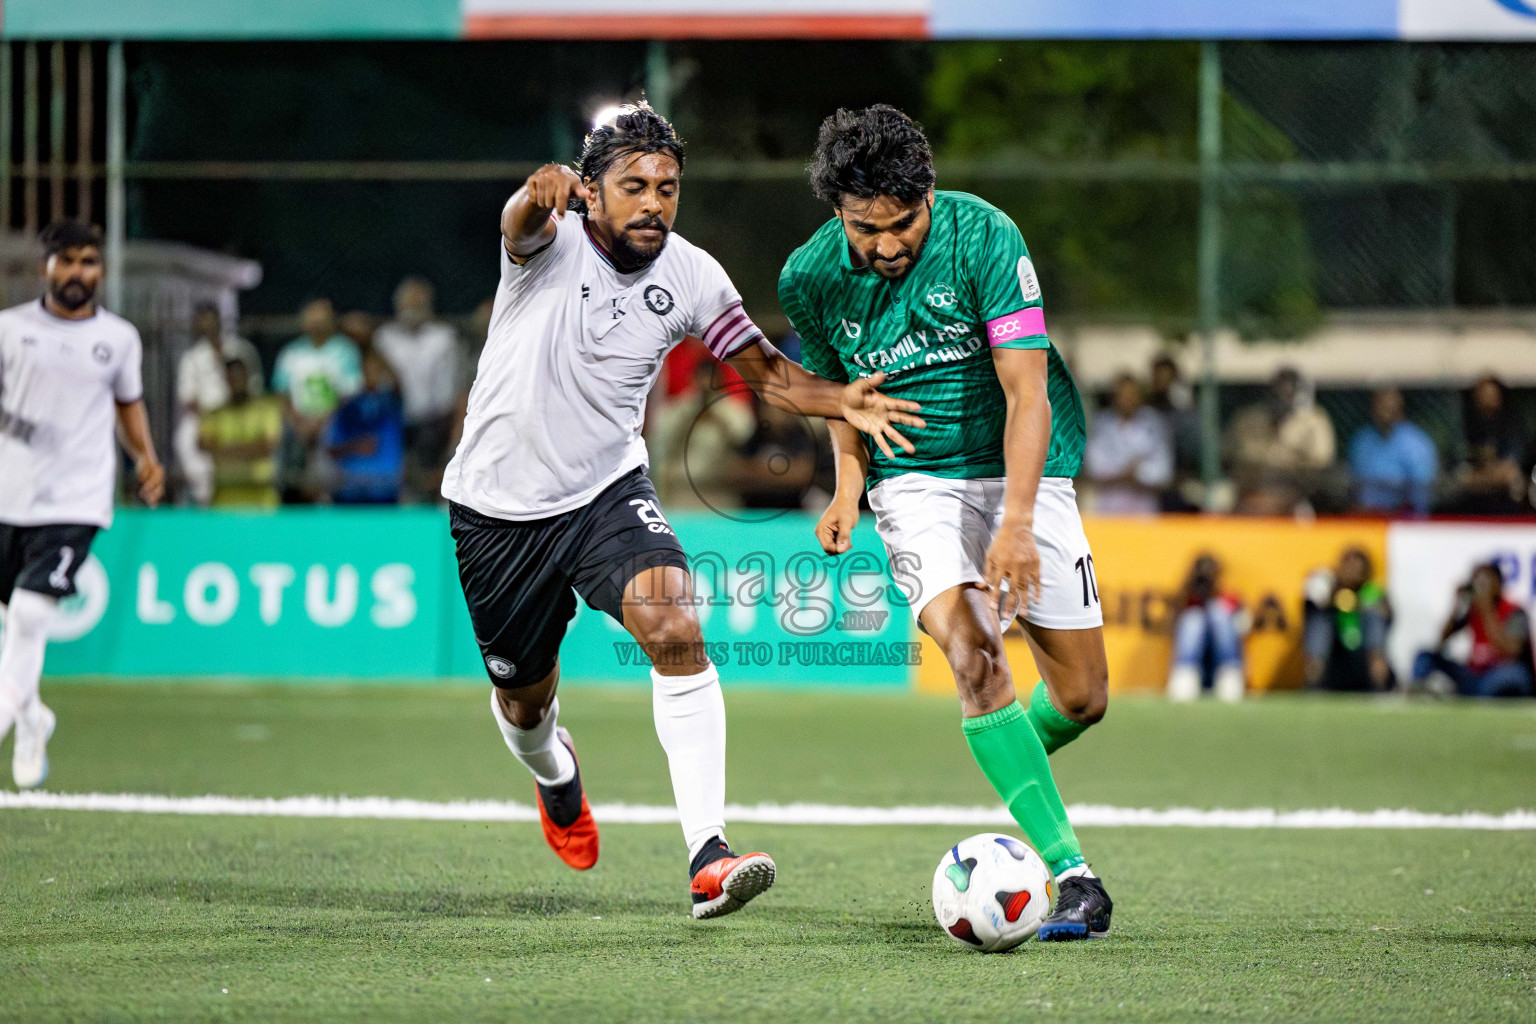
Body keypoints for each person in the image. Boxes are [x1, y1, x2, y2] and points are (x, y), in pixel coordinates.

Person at [442, 103, 919, 918]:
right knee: (526, 708)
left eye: (668, 187)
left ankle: (709, 853)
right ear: (590, 192)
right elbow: (517, 221)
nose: (654, 202)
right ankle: (557, 777)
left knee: (674, 624)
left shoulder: (693, 274)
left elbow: (768, 373)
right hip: (495, 511)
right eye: (633, 186)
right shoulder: (545, 243)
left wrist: (841, 399)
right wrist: (535, 192)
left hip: (604, 493)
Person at [785, 105, 1112, 941]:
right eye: (866, 229)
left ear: (928, 195)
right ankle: (1072, 874)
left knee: (1081, 697)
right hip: (914, 485)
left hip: (1020, 467)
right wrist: (846, 489)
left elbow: (1027, 393)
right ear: (837, 213)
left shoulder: (987, 237)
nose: (887, 246)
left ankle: (1009, 757)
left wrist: (1016, 519)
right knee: (976, 655)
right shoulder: (810, 278)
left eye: (902, 225)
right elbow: (843, 401)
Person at [0, 220, 164, 788]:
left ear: (100, 268)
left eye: (88, 262)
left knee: (28, 616)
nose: (78, 273)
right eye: (66, 262)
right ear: (45, 267)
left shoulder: (118, 339)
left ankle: (11, 726)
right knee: (16, 627)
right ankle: (31, 721)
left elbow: (127, 405)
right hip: (9, 499)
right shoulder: (9, 330)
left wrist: (145, 457)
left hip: (75, 502)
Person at [374, 277, 461, 499]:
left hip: (434, 422)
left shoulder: (443, 338)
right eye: (408, 303)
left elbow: (451, 386)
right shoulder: (385, 338)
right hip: (395, 421)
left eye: (418, 303)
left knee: (432, 478)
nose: (412, 308)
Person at [173, 302, 264, 506]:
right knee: (186, 438)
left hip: (241, 415)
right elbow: (187, 397)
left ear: (219, 321)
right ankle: (204, 501)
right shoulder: (192, 358)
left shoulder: (241, 349)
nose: (206, 325)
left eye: (210, 319)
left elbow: (255, 388)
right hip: (206, 419)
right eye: (202, 321)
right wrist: (214, 417)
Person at [271, 298, 361, 502]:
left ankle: (329, 503)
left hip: (333, 425)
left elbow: (349, 394)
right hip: (297, 426)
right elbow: (281, 394)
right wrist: (299, 423)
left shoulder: (345, 351)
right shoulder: (291, 353)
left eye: (323, 317)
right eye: (313, 317)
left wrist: (321, 423)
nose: (318, 322)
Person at [1225, 367, 1337, 515]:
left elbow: (1321, 461)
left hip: (1295, 494)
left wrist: (1285, 466)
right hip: (1252, 491)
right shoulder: (1248, 419)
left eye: (1289, 393)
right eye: (1278, 392)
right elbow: (1235, 456)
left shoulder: (1313, 421)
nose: (1283, 397)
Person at [1413, 562, 1533, 698]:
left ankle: (1474, 693)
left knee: (1515, 674)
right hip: (1474, 675)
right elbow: (1442, 640)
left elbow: (1512, 652)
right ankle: (1420, 689)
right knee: (1425, 656)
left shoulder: (1514, 612)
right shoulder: (1473, 611)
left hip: (1500, 672)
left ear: (1498, 585)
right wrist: (1457, 605)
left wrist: (1487, 610)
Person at [1082, 373, 1173, 515]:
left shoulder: (1153, 424)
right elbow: (1095, 467)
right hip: (1109, 508)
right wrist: (1125, 473)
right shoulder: (1102, 424)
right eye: (1123, 395)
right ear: (1115, 397)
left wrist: (1139, 474)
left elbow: (1162, 471)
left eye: (1132, 395)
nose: (1128, 400)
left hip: (1144, 510)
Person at [1303, 547, 1392, 692]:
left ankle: (1379, 684)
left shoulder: (1372, 591)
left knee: (1374, 617)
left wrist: (1359, 604)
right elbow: (1309, 602)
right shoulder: (1328, 587)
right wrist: (1333, 595)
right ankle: (1314, 682)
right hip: (1333, 660)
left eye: (1357, 568)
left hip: (1363, 661)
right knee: (1320, 619)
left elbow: (1388, 616)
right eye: (1348, 566)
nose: (1352, 572)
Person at [198, 359, 284, 508]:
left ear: (247, 377)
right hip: (224, 500)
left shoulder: (266, 409)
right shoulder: (215, 414)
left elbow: (267, 446)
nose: (236, 381)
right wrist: (250, 448)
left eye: (239, 376)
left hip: (261, 499)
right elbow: (203, 444)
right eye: (231, 377)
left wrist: (226, 449)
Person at [324, 351, 405, 504]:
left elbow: (398, 384)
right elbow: (331, 449)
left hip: (385, 487)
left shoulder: (391, 404)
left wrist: (374, 346)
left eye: (378, 370)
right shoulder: (348, 407)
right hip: (350, 488)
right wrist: (354, 446)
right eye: (368, 370)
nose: (373, 375)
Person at [1442, 375, 1530, 516]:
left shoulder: (1510, 425)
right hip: (1466, 500)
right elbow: (1459, 475)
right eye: (1484, 394)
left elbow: (1509, 471)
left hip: (1504, 499)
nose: (1488, 400)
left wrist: (1481, 478)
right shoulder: (1465, 424)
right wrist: (1480, 478)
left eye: (1492, 395)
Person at [1166, 554, 1246, 702]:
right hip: (1194, 668)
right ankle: (1185, 677)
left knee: (1218, 612)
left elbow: (1245, 627)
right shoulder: (1185, 600)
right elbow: (1171, 628)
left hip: (1221, 665)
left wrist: (1217, 603)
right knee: (1193, 618)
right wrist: (1190, 596)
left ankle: (1230, 677)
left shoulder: (1229, 600)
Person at [1347, 386, 1438, 516]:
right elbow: (1354, 484)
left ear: (1400, 410)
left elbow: (1422, 492)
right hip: (1366, 517)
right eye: (1381, 408)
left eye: (1390, 409)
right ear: (1372, 409)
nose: (1384, 414)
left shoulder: (1417, 443)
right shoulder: (1362, 440)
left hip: (1405, 518)